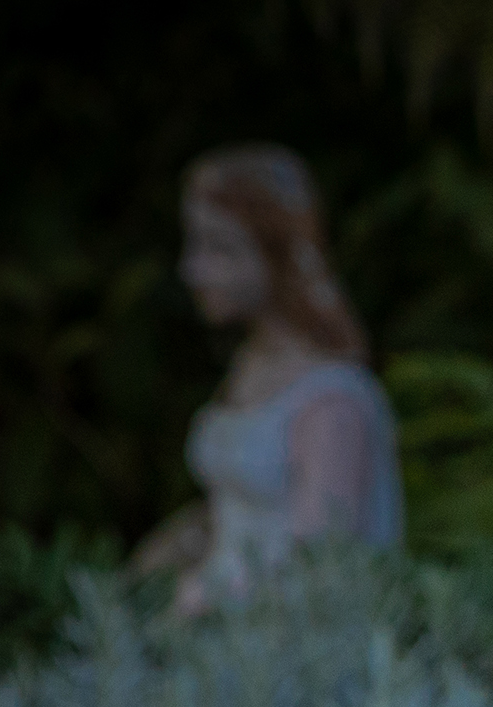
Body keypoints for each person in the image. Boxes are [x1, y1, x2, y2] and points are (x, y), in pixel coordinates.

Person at [133, 145, 404, 616]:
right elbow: (238, 514)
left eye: (219, 247)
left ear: (274, 252)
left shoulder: (332, 397)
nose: (192, 269)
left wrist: (188, 600)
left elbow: (318, 567)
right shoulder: (251, 362)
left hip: (282, 654)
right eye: (195, 243)